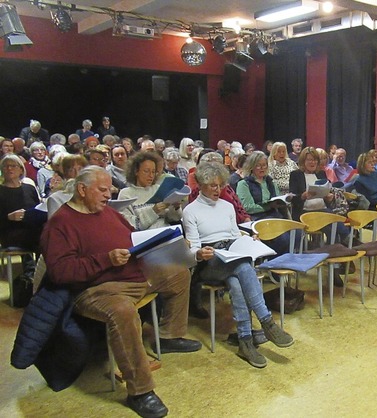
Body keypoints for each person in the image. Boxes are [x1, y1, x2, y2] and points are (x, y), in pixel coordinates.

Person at [41, 166, 201, 418]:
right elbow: (61, 271)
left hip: (131, 274)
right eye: (102, 190)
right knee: (123, 312)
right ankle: (140, 390)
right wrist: (106, 260)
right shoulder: (60, 224)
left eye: (109, 189)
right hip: (96, 289)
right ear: (82, 190)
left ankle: (170, 335)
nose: (108, 195)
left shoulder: (107, 213)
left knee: (179, 271)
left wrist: (161, 245)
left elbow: (132, 238)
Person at [182, 162, 294, 368]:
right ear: (200, 185)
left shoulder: (227, 206)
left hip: (231, 254)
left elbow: (234, 234)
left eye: (221, 185)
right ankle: (266, 321)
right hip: (210, 261)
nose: (218, 190)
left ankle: (245, 340)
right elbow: (192, 249)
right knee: (243, 266)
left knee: (237, 279)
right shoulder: (190, 211)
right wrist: (199, 253)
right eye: (212, 186)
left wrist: (249, 240)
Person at [118, 152, 182, 231]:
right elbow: (132, 225)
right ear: (136, 171)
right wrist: (153, 211)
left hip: (166, 232)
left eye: (153, 172)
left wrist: (175, 208)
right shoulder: (126, 194)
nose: (151, 175)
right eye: (146, 171)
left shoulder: (158, 188)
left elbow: (173, 218)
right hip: (144, 238)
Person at [0, 154, 42, 276]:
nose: (9, 169)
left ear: (21, 169)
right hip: (9, 231)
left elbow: (38, 209)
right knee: (37, 238)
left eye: (13, 166)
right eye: (5, 166)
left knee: (48, 235)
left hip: (31, 228)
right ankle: (31, 273)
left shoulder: (29, 188)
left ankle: (41, 272)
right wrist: (8, 217)